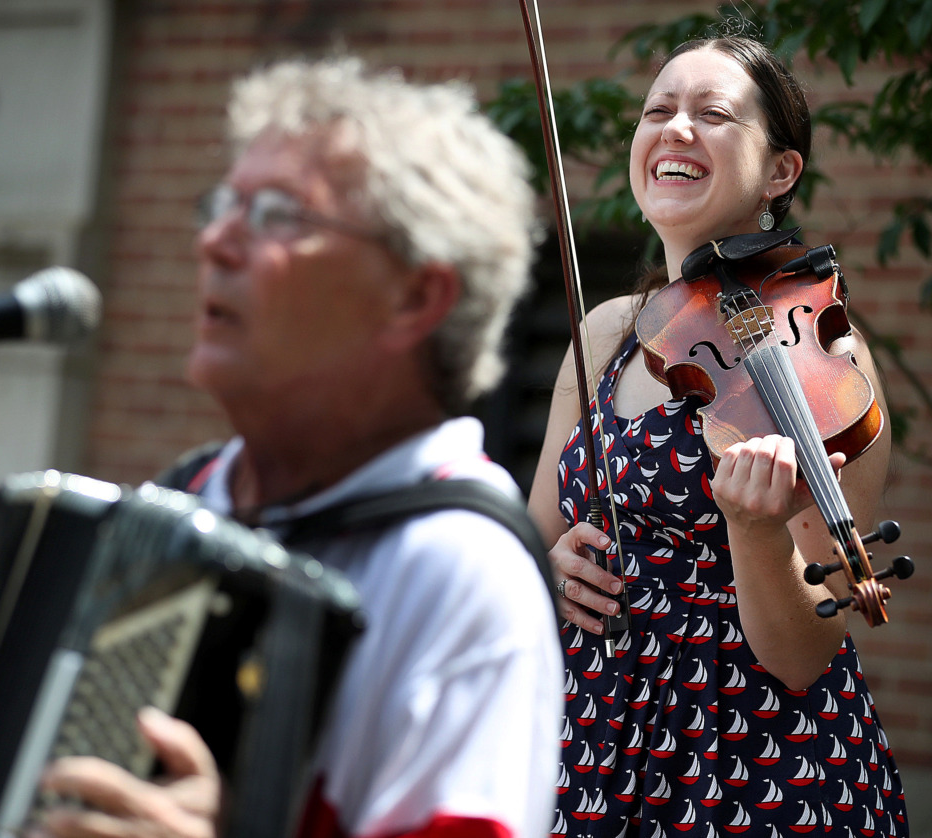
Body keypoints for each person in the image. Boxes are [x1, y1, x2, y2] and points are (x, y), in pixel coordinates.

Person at [36, 55, 563, 838]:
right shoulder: (183, 505)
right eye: (223, 205)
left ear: (415, 296)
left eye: (279, 215)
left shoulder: (461, 571)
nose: (215, 241)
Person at [527, 36, 909, 837]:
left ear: (780, 172)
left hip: (752, 757)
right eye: (658, 110)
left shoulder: (821, 356)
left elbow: (806, 653)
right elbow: (539, 536)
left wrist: (755, 533)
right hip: (591, 739)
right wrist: (547, 568)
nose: (675, 129)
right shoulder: (605, 334)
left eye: (713, 114)